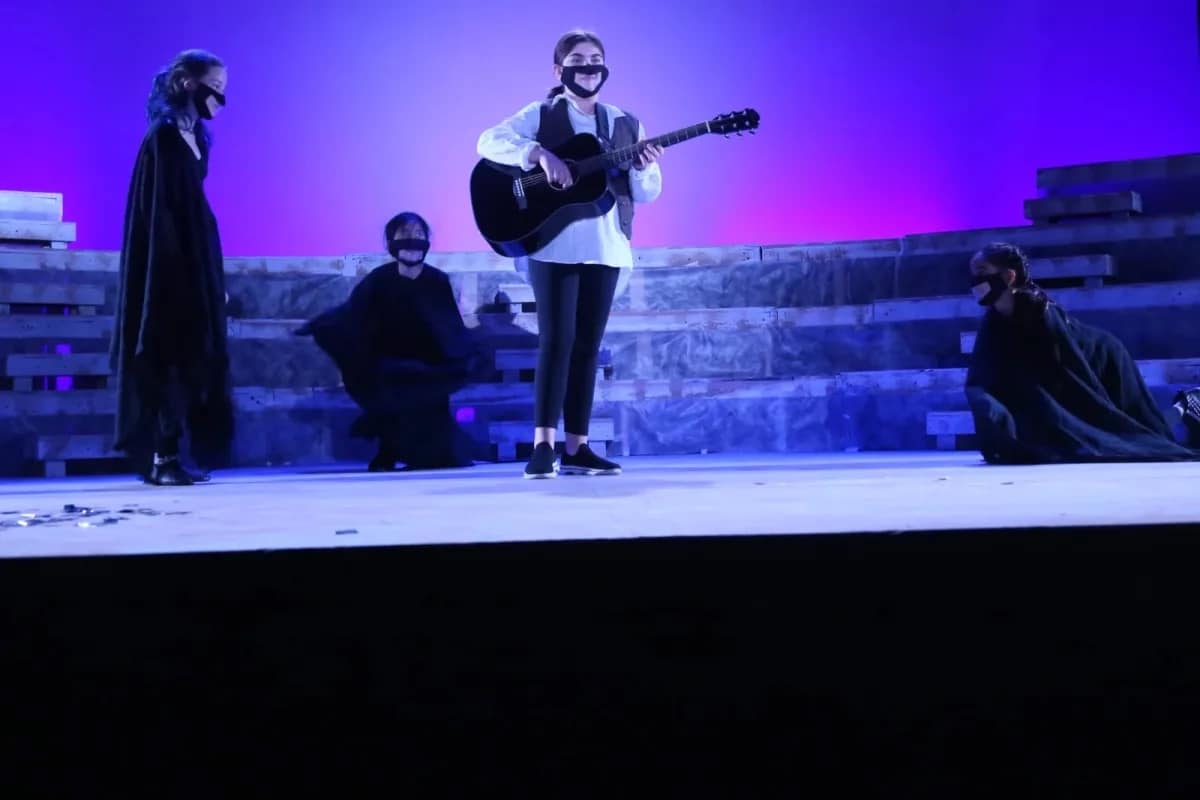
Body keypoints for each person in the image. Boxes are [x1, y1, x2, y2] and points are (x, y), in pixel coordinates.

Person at [476, 29, 663, 478]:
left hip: (605, 245)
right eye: (578, 60)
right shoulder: (541, 114)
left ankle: (577, 447)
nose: (589, 67)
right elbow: (488, 141)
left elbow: (647, 193)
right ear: (560, 70)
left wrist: (646, 166)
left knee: (586, 347)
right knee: (556, 342)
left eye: (596, 59)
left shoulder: (624, 122)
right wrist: (536, 153)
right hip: (553, 243)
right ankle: (543, 445)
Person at [111, 49, 233, 486]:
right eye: (214, 87)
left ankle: (177, 452)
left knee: (192, 357)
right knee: (167, 355)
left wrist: (208, 276)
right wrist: (175, 274)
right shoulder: (161, 138)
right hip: (167, 263)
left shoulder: (197, 136)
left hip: (196, 254)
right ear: (186, 83)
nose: (219, 97)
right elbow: (158, 211)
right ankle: (162, 458)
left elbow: (194, 205)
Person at [964, 242, 1200, 463]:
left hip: (1105, 359)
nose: (975, 279)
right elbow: (985, 375)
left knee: (1139, 432)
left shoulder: (1042, 315)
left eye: (981, 271)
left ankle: (1188, 404)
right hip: (1085, 362)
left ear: (1008, 276)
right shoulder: (993, 321)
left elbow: (1073, 379)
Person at [296, 212, 481, 472]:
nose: (412, 242)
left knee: (432, 416)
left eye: (418, 236)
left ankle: (426, 452)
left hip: (431, 362)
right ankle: (389, 450)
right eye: (405, 236)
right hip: (387, 362)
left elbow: (450, 326)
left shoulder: (437, 281)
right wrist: (319, 326)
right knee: (390, 385)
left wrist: (463, 355)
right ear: (391, 242)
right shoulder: (379, 279)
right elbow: (351, 315)